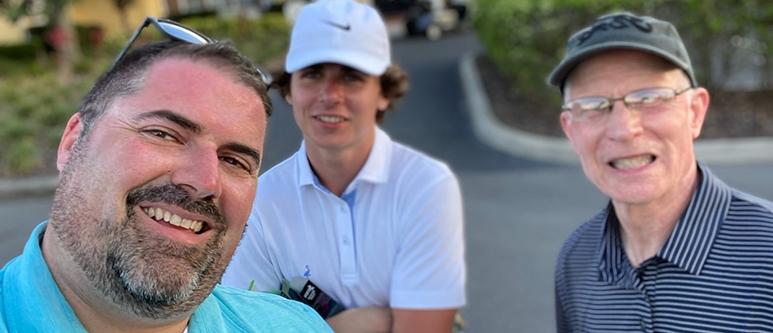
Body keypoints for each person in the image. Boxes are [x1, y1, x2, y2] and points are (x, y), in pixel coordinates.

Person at [0, 17, 332, 332]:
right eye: (163, 134)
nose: (204, 181)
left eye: (234, 161)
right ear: (72, 143)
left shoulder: (296, 326)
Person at [221, 0, 466, 331]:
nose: (330, 94)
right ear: (289, 90)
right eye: (313, 74)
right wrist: (370, 322)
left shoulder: (425, 184)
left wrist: (304, 323)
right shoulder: (259, 201)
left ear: (383, 93)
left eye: (351, 77)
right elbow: (243, 324)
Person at [549, 12, 773, 332]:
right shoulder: (576, 259)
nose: (624, 129)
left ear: (695, 113)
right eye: (594, 106)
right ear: (571, 131)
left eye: (649, 98)